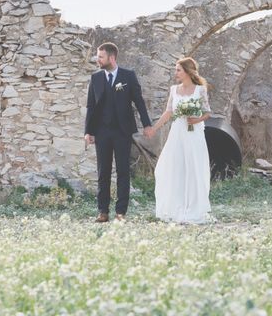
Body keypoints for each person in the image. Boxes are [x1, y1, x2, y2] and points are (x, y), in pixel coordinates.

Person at [84, 42, 152, 222]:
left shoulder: (128, 76)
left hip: (122, 131)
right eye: (98, 56)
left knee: (123, 172)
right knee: (103, 172)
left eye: (100, 56)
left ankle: (121, 212)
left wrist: (147, 124)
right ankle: (102, 211)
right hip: (101, 132)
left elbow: (139, 102)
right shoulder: (96, 78)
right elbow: (91, 106)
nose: (97, 59)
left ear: (111, 57)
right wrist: (88, 131)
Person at [147, 57, 212, 224]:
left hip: (194, 133)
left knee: (193, 168)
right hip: (177, 132)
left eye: (178, 70)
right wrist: (154, 128)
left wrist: (196, 120)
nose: (175, 73)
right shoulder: (174, 90)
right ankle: (175, 206)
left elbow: (207, 112)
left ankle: (193, 208)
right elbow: (168, 112)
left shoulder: (200, 90)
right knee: (169, 167)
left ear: (188, 71)